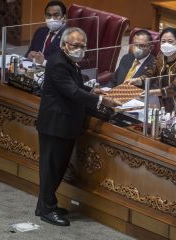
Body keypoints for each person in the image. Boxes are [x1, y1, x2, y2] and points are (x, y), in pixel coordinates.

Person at [35, 27, 120, 226]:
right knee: (50, 169)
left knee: (57, 168)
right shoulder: (58, 63)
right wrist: (100, 100)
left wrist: (90, 88)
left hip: (65, 124)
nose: (79, 49)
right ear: (64, 45)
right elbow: (71, 92)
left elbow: (74, 85)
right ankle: (46, 210)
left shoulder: (69, 61)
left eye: (83, 46)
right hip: (55, 125)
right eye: (75, 45)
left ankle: (45, 205)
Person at [127, 27, 176, 115]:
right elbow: (151, 74)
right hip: (166, 107)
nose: (166, 44)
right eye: (163, 41)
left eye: (170, 41)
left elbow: (175, 89)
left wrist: (152, 92)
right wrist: (138, 80)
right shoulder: (161, 56)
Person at [26, 0, 67, 65]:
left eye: (56, 15)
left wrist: (44, 62)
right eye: (48, 15)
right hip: (34, 70)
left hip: (55, 73)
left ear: (64, 17)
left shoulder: (69, 36)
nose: (52, 19)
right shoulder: (40, 31)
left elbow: (65, 65)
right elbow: (28, 54)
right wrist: (29, 56)